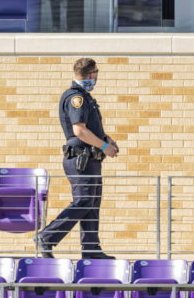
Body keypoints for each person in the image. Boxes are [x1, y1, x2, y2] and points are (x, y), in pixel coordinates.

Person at [37, 58, 118, 259]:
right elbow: (79, 130)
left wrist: (106, 139)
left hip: (90, 159)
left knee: (91, 202)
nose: (96, 78)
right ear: (91, 74)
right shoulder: (76, 98)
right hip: (81, 159)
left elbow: (90, 128)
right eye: (96, 73)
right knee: (83, 201)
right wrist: (105, 147)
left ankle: (91, 249)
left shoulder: (85, 97)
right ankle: (47, 237)